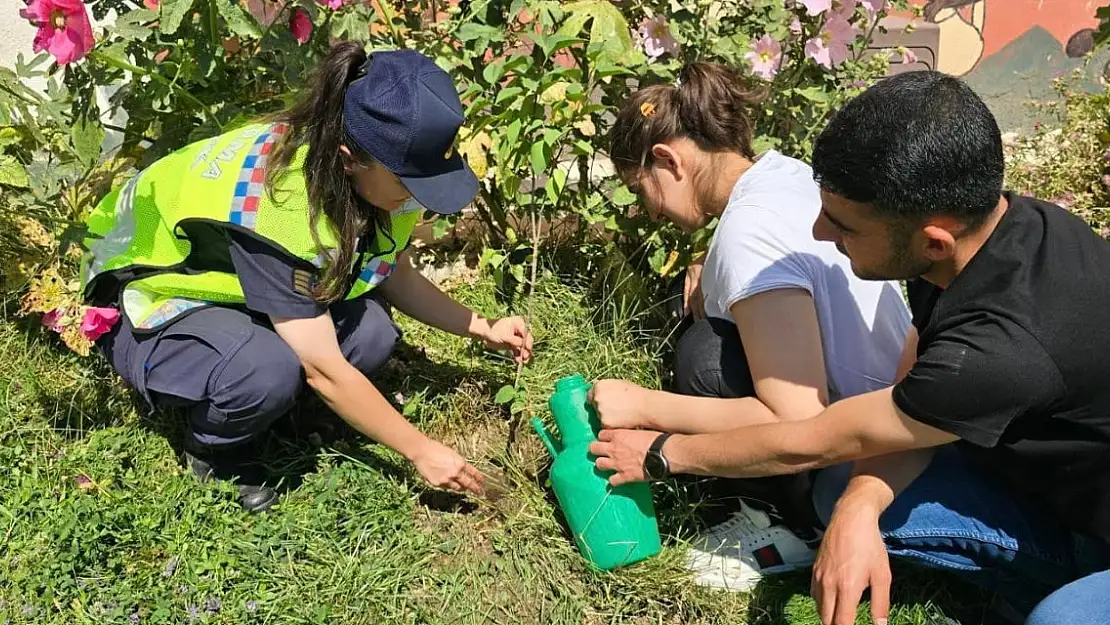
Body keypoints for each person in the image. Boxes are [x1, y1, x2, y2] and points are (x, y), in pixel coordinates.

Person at [590, 70, 1110, 625]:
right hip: (1040, 480)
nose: (818, 233)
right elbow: (909, 392)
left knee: (1058, 618)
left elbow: (809, 439)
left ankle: (1059, 583)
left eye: (843, 226)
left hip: (1092, 533)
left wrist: (661, 453)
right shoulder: (1004, 231)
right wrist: (859, 506)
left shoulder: (998, 351)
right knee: (846, 486)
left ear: (932, 238)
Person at [80, 43, 532, 513]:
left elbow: (392, 272)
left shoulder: (381, 179)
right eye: (411, 186)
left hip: (235, 279)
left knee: (373, 333)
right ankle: (215, 448)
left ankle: (282, 411)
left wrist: (483, 327)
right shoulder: (281, 211)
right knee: (263, 368)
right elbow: (325, 371)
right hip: (144, 289)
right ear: (349, 158)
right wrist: (422, 451)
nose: (419, 200)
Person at [590, 62, 911, 590]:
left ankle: (787, 526)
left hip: (856, 463)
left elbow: (799, 420)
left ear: (668, 159)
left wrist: (645, 408)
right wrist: (709, 264)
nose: (646, 211)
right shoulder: (785, 175)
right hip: (898, 421)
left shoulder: (746, 232)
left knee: (704, 354)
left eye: (639, 187)